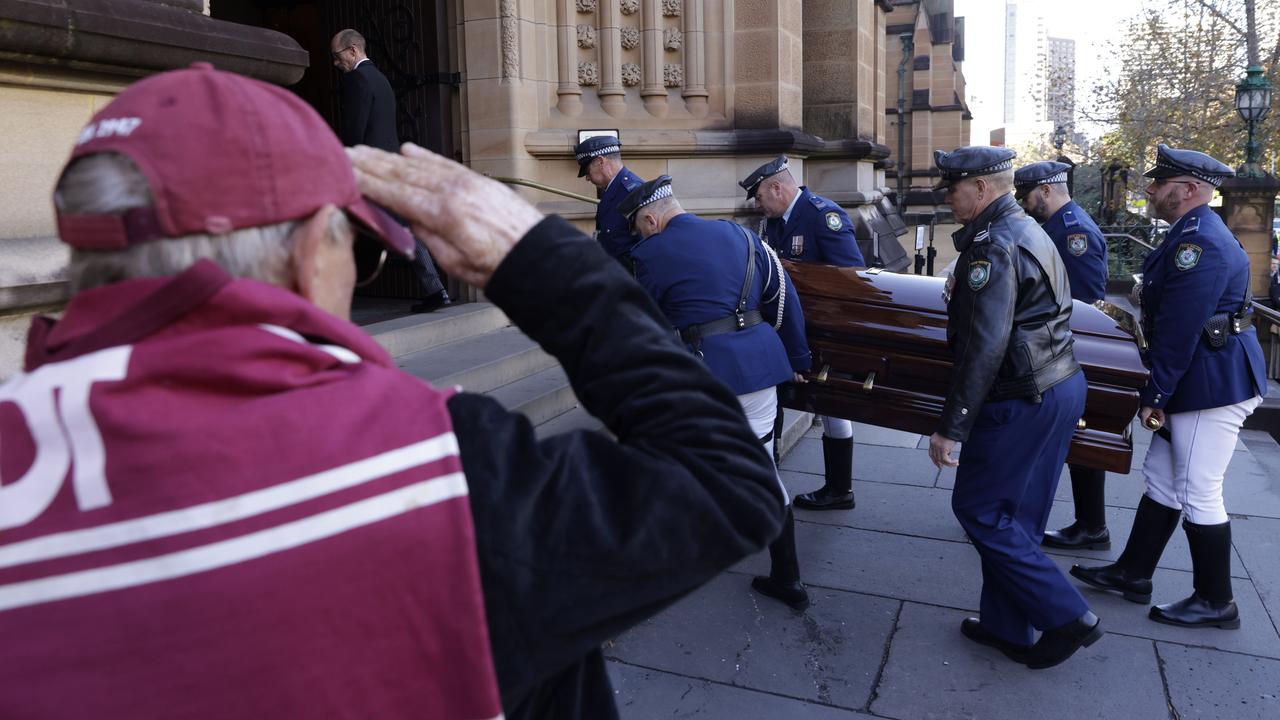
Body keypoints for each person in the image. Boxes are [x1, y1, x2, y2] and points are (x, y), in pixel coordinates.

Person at [0, 63, 786, 720]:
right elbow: (726, 482)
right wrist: (532, 258)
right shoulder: (428, 476)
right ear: (313, 254)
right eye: (362, 252)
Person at [1070, 145, 1266, 630]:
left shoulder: (1198, 243)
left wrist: (1153, 396)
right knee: (1161, 479)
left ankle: (1216, 600)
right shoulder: (1188, 233)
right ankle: (1134, 573)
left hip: (1211, 383)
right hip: (1196, 376)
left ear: (1192, 189)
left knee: (1199, 489)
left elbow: (1180, 330)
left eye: (1162, 183)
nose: (1152, 190)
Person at [928, 146, 1101, 669]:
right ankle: (1008, 626)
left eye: (953, 188)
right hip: (1058, 384)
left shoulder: (991, 245)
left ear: (981, 189)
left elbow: (985, 345)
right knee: (1018, 518)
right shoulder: (1027, 228)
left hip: (1019, 395)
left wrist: (952, 427)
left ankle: (1068, 615)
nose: (947, 198)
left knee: (978, 511)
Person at [618, 175, 813, 609]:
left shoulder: (649, 254)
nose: (641, 234)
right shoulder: (741, 234)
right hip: (761, 366)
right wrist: (797, 358)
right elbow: (783, 297)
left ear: (650, 218)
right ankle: (788, 578)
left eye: (639, 226)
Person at [740, 156, 864, 510]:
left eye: (760, 197)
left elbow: (850, 279)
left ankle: (840, 489)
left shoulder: (822, 216)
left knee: (832, 407)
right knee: (783, 401)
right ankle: (772, 479)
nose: (758, 205)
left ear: (777, 188)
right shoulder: (776, 221)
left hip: (820, 330)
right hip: (786, 329)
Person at [1014, 160, 1112, 551]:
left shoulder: (1073, 234)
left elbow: (1084, 305)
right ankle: (1090, 524)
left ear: (1048, 190)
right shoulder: (1057, 226)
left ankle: (1091, 526)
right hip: (1054, 349)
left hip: (1066, 351)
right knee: (1074, 440)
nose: (1024, 202)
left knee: (1080, 438)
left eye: (1027, 195)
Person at [330, 28, 450, 312]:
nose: (336, 64)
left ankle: (331, 295)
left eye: (337, 57)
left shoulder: (357, 79)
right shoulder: (380, 79)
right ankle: (436, 290)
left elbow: (354, 129)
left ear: (353, 51)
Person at [573, 135, 644, 264]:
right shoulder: (613, 190)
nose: (587, 178)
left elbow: (644, 245)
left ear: (601, 162)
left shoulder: (633, 192)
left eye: (587, 171)